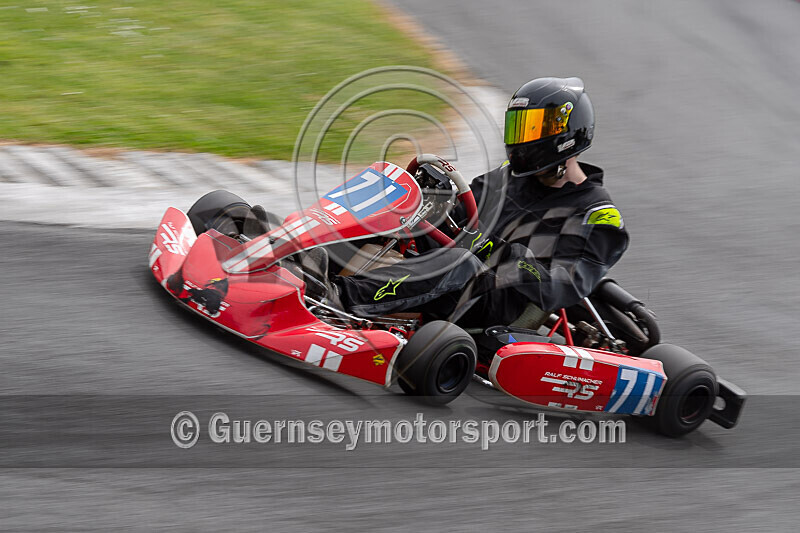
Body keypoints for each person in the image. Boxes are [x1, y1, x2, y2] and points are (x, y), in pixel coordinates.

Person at [316, 77, 629, 331]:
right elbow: (463, 215)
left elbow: (562, 286)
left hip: (498, 305)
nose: (521, 139)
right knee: (398, 207)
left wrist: (500, 251)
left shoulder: (597, 215)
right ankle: (309, 257)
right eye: (518, 128)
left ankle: (338, 298)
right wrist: (436, 199)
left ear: (566, 134)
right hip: (452, 271)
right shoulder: (510, 178)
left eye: (532, 129)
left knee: (461, 260)